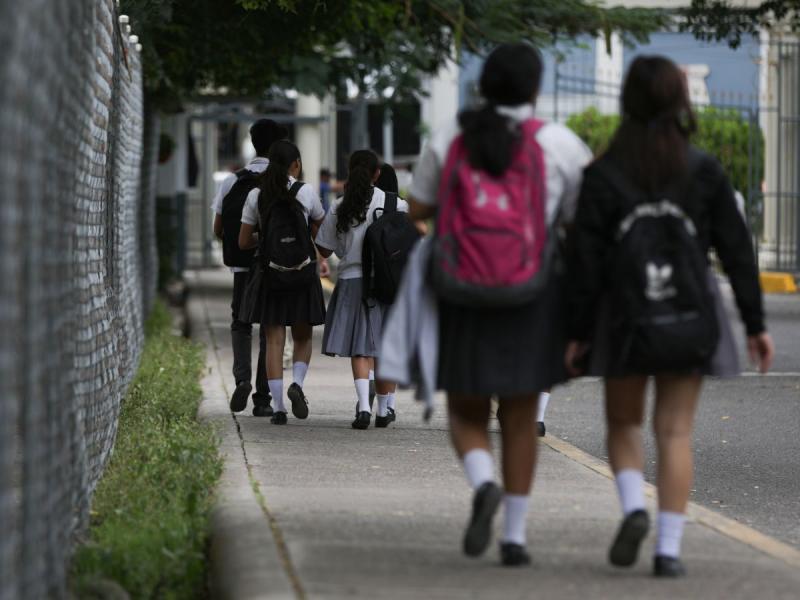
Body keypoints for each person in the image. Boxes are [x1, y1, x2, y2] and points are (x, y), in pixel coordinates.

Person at [564, 55, 774, 578]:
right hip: (689, 313)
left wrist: (576, 331)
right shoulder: (702, 168)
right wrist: (754, 323)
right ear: (680, 101)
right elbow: (736, 249)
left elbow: (584, 263)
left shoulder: (604, 172)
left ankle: (635, 506)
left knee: (622, 422)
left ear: (626, 101)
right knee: (675, 431)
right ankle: (669, 551)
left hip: (624, 318)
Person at [408, 43, 592, 566]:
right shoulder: (559, 144)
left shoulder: (451, 137)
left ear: (483, 87)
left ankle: (482, 480)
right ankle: (513, 537)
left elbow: (417, 206)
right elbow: (579, 221)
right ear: (535, 89)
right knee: (519, 415)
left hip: (463, 294)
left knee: (466, 410)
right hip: (532, 297)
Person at [316, 150, 409, 429]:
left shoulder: (340, 205)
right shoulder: (396, 204)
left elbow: (323, 247)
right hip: (387, 283)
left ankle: (364, 409)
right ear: (377, 173)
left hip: (352, 279)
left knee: (361, 347)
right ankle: (384, 411)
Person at [238, 140, 327, 425]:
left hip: (270, 274)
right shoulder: (306, 192)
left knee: (274, 340)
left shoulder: (256, 196)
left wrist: (264, 239)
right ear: (296, 165)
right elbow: (321, 234)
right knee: (302, 336)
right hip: (302, 273)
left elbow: (242, 242)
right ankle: (297, 385)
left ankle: (278, 407)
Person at [212, 118, 288, 417]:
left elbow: (219, 228)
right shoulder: (283, 182)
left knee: (241, 323)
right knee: (269, 330)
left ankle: (241, 379)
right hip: (273, 268)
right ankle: (263, 398)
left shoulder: (233, 181)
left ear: (253, 142)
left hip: (243, 269)